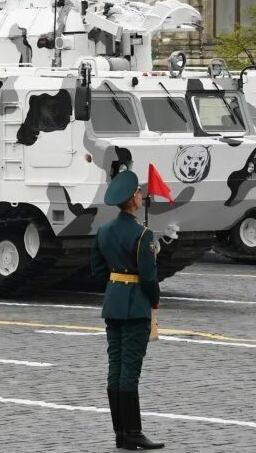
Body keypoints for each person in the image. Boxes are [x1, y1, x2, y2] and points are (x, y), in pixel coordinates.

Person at [90, 170, 164, 450]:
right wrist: (154, 301)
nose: (140, 195)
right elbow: (148, 278)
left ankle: (121, 433)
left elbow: (98, 270)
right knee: (130, 370)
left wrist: (116, 289)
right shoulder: (143, 234)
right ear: (133, 198)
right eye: (138, 192)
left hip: (113, 304)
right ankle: (132, 431)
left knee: (116, 367)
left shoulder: (103, 231)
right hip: (135, 308)